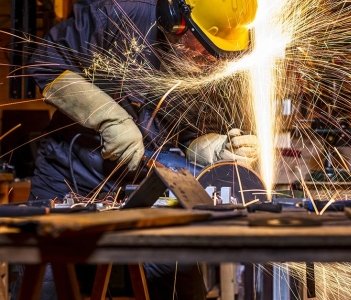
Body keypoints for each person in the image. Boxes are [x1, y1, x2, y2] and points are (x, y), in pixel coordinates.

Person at [15, 0, 259, 299]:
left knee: (182, 286)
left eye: (219, 53)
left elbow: (184, 132)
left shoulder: (218, 57)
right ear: (175, 19)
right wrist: (106, 116)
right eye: (205, 46)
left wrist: (210, 148)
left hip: (151, 190)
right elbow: (45, 61)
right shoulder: (120, 10)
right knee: (47, 286)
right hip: (71, 177)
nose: (212, 60)